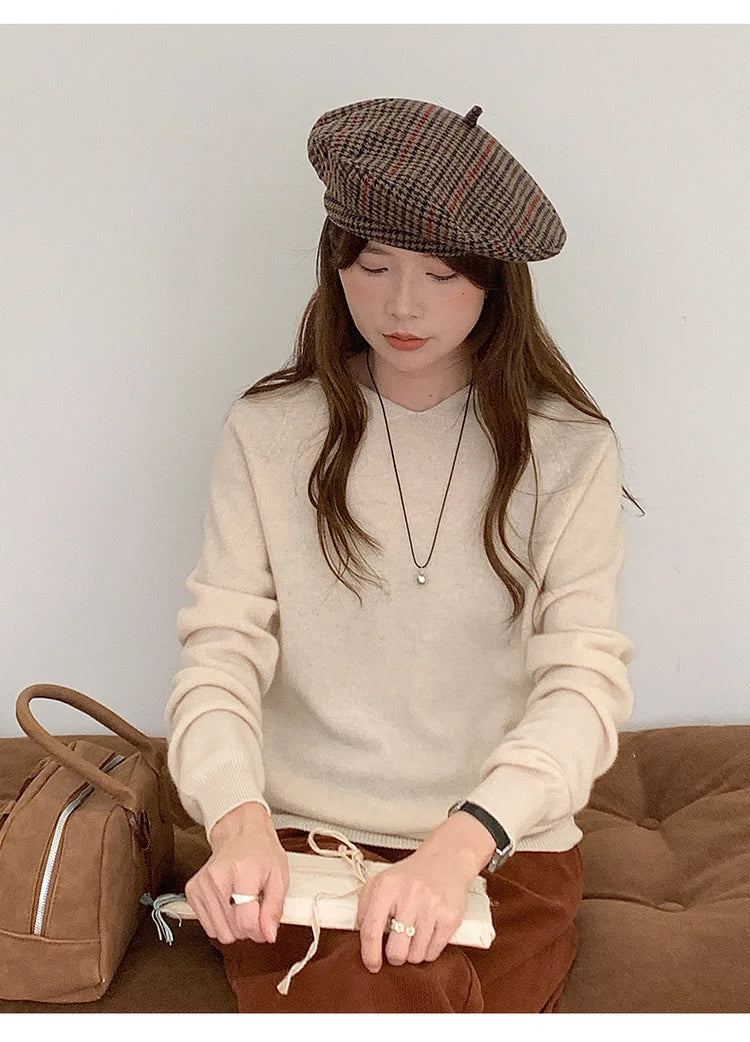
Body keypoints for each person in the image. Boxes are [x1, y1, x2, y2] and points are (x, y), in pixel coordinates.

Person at [163, 97, 642, 1013]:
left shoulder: (571, 450)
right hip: (298, 845)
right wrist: (237, 820)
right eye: (373, 266)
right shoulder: (270, 432)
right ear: (334, 267)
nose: (403, 305)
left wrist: (460, 844)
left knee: (411, 988)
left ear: (497, 284)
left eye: (440, 275)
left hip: (497, 847)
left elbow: (584, 683)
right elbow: (218, 654)